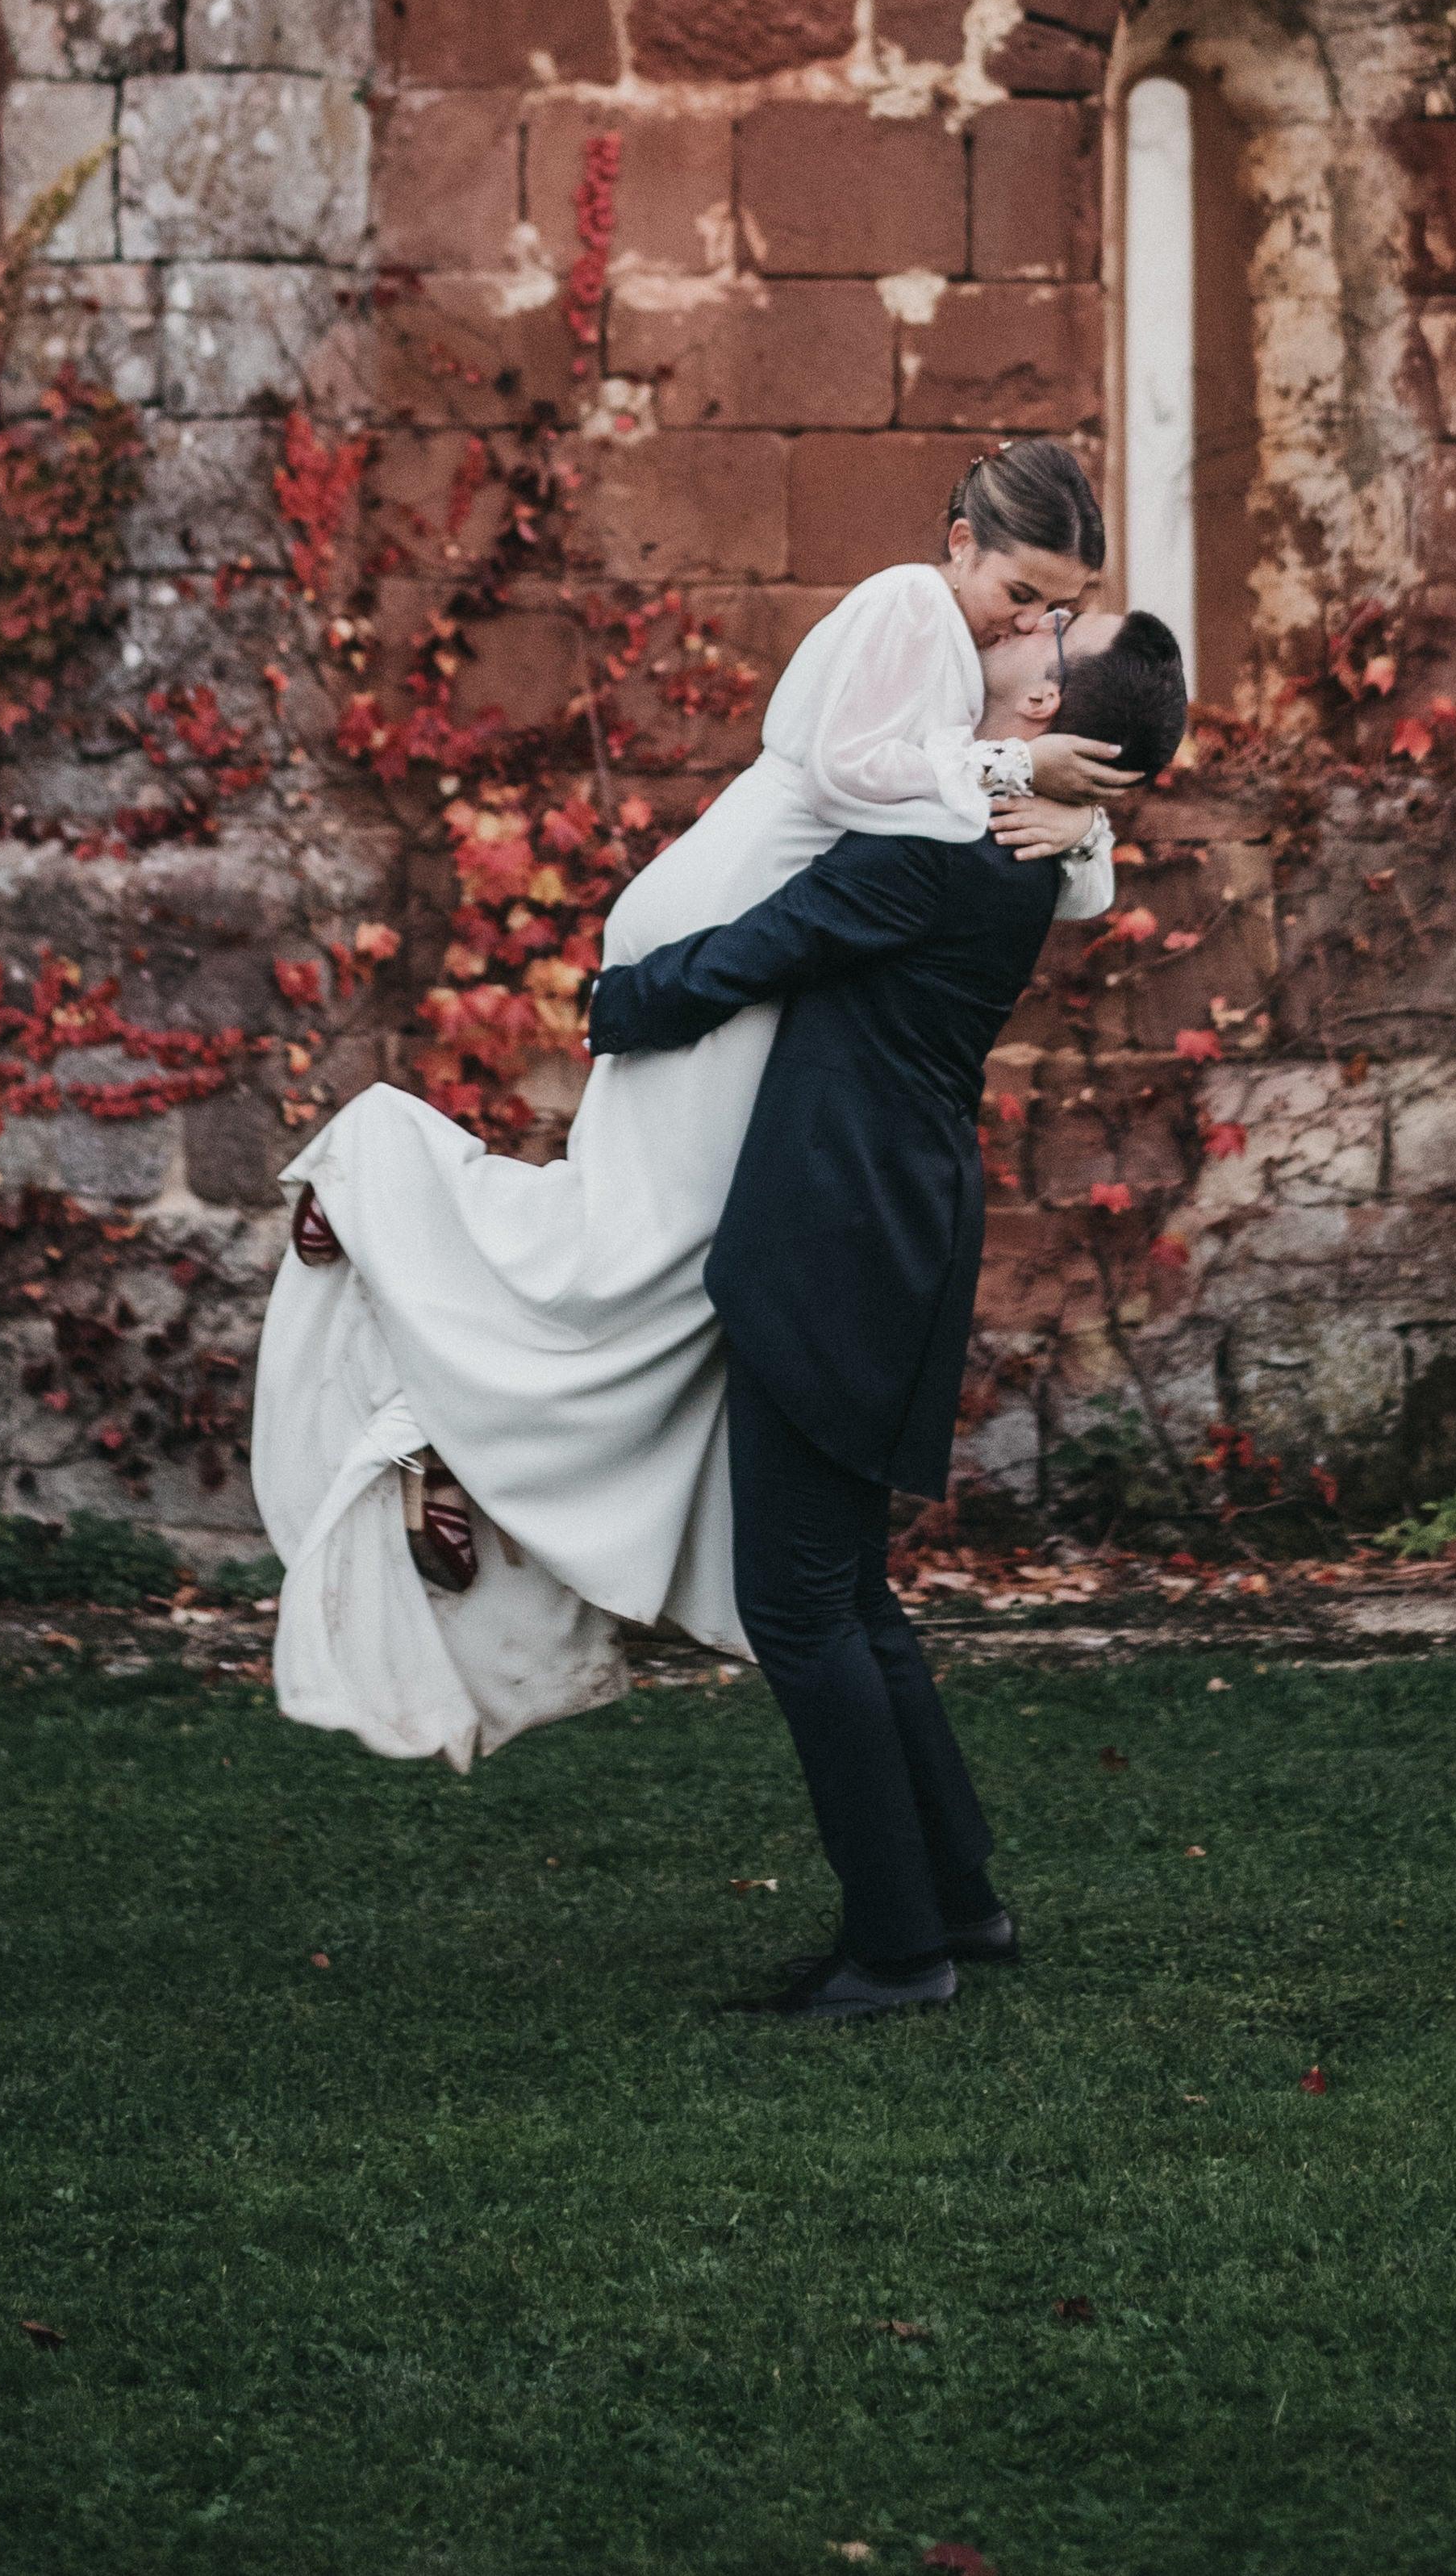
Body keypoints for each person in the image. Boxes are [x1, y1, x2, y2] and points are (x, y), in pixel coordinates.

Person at [250, 442, 1134, 1771]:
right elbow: (849, 776)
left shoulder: (970, 664)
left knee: (673, 1268)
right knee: (639, 1247)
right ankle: (381, 1173)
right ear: (960, 540)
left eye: (1059, 608)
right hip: (723, 937)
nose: (1034, 626)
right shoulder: (906, 601)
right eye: (1022, 592)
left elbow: (1054, 880)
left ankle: (446, 1430)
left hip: (755, 961)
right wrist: (1017, 778)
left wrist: (1074, 816)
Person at [590, 603, 1194, 2015]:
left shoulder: (946, 839)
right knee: (847, 1590)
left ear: (1041, 707)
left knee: (798, 1603)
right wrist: (1078, 815)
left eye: (1053, 627)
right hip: (888, 1211)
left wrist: (615, 1000)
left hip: (837, 1225)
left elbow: (772, 941)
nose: (1025, 619)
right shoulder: (1002, 831)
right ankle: (956, 1901)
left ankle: (895, 1948)